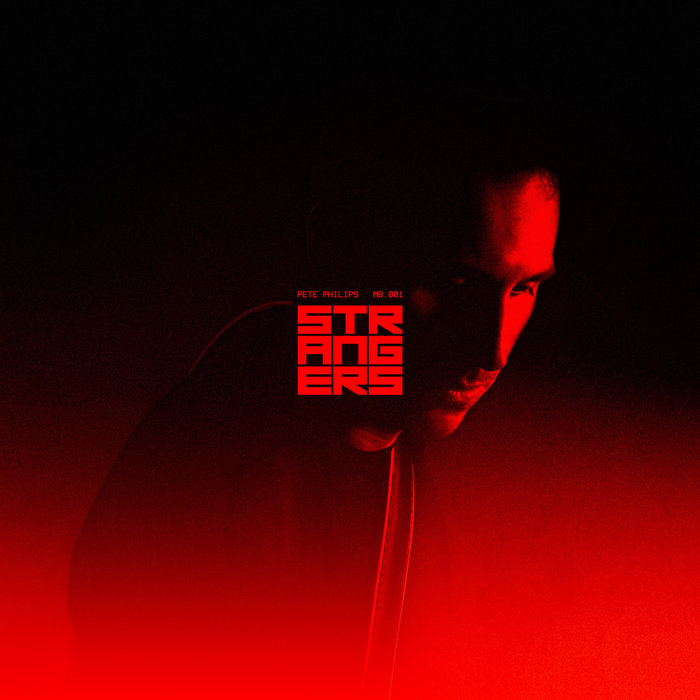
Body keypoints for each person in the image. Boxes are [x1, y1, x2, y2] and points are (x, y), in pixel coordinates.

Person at [68, 116, 559, 699]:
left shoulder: (390, 446)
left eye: (524, 288)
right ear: (337, 251)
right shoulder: (206, 463)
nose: (493, 350)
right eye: (455, 284)